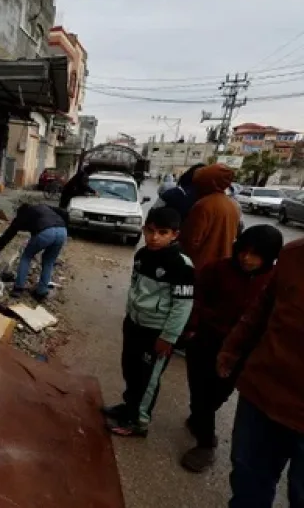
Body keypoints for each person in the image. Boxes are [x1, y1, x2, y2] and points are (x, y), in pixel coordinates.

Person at [180, 225, 283, 473]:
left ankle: (200, 418)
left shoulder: (274, 281)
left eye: (256, 255)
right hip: (206, 341)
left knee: (219, 394)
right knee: (201, 391)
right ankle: (206, 443)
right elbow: (195, 298)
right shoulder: (217, 269)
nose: (247, 259)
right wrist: (192, 329)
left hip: (241, 351)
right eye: (244, 251)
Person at [217, 238, 304, 508]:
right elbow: (260, 310)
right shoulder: (294, 255)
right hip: (262, 395)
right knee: (248, 484)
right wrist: (231, 348)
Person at [103, 207, 195, 437]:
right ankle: (129, 407)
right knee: (131, 370)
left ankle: (138, 421)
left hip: (157, 333)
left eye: (162, 232)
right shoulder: (142, 255)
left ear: (175, 234)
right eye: (150, 231)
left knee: (147, 378)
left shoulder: (181, 265)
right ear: (144, 229)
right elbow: (135, 286)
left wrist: (168, 337)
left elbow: (182, 306)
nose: (154, 237)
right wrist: (129, 315)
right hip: (135, 324)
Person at [0, 203, 68, 301]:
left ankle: (18, 288)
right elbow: (64, 212)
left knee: (26, 257)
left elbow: (6, 237)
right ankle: (41, 292)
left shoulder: (22, 216)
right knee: (49, 261)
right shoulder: (43, 207)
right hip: (62, 231)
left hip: (45, 232)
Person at [179, 164, 240, 269]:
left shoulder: (204, 205)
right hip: (222, 264)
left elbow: (192, 241)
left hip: (201, 265)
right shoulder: (233, 205)